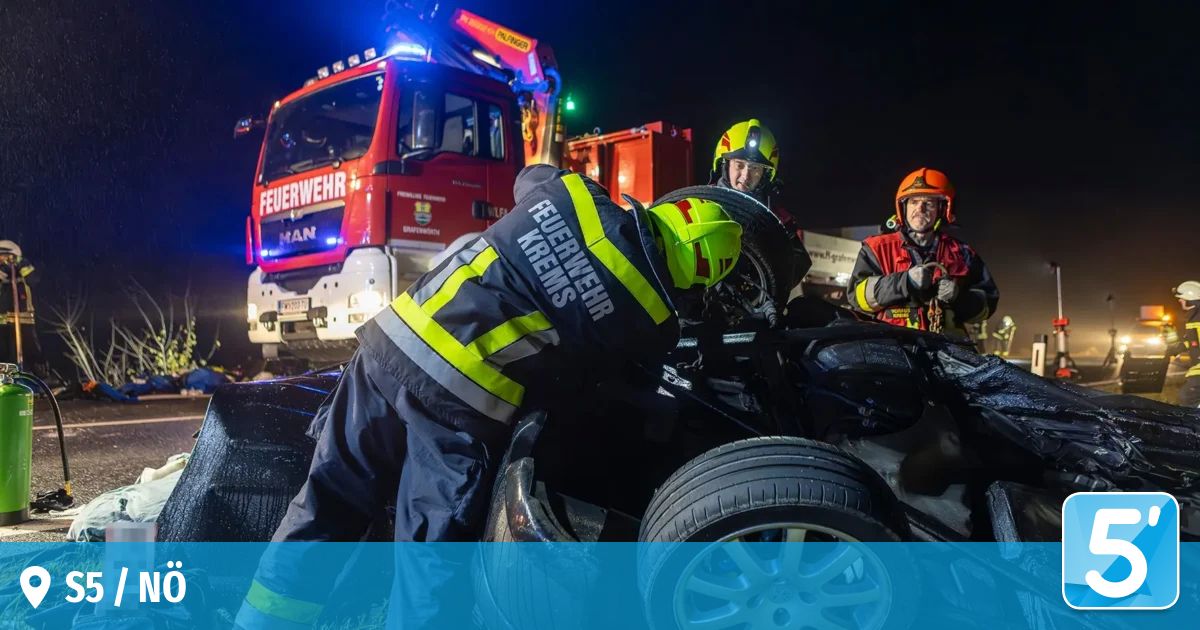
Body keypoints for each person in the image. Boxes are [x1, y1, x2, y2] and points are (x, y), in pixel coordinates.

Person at [236, 165, 744, 628]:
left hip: (391, 344)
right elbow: (612, 388)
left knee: (329, 496)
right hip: (457, 403)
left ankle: (261, 620)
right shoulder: (652, 318)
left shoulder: (575, 194)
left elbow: (530, 176)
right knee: (429, 561)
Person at [848, 168, 998, 338]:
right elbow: (856, 298)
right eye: (914, 202)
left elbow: (987, 306)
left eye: (929, 203)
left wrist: (959, 297)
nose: (920, 208)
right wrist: (904, 282)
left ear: (943, 209)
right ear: (903, 207)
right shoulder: (877, 248)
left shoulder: (963, 253)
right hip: (892, 347)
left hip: (948, 350)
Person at [710, 118, 811, 288]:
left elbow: (796, 264)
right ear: (725, 164)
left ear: (765, 175)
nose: (745, 176)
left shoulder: (779, 220)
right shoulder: (700, 203)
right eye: (739, 165)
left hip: (754, 308)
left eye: (755, 168)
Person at [0, 240, 39, 367]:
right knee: (5, 358)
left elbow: (34, 281)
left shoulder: (23, 270)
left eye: (3, 256)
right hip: (3, 325)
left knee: (29, 357)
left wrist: (22, 266)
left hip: (23, 322)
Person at [1175, 281, 1200, 408]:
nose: (1180, 301)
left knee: (1188, 397)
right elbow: (1192, 341)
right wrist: (1175, 349)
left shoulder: (1198, 317)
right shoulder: (1194, 316)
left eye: (1182, 298)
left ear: (1190, 300)